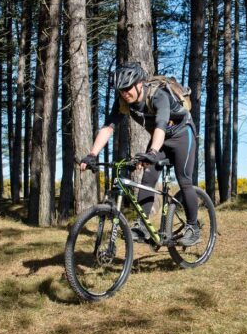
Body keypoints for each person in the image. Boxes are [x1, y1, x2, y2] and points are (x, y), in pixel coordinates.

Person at [79, 62, 200, 246]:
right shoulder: (123, 102)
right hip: (160, 139)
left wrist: (151, 152)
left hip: (183, 135)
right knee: (147, 179)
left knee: (184, 180)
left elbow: (160, 124)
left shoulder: (159, 96)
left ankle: (193, 227)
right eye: (120, 90)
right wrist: (92, 154)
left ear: (139, 83)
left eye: (127, 88)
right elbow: (108, 127)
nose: (124, 93)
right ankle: (143, 227)